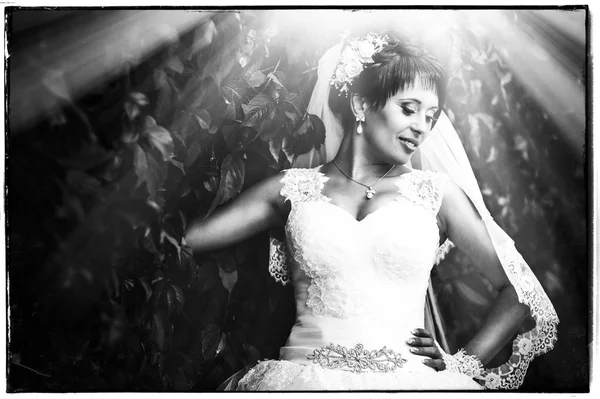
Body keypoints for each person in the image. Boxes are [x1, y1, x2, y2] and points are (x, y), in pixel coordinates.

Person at [185, 32, 558, 391]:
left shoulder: (436, 195)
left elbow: (518, 292)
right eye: (409, 109)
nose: (421, 127)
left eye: (431, 116)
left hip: (413, 382)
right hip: (301, 382)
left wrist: (464, 364)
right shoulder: (291, 189)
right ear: (361, 104)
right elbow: (184, 242)